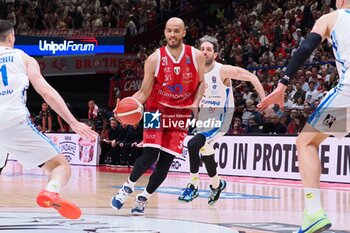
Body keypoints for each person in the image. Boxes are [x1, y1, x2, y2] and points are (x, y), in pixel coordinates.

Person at [256, 2, 350, 232]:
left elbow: (305, 49)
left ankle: (314, 211)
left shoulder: (331, 18)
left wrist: (283, 84)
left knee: (306, 141)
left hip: (348, 95)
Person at [0, 20, 98, 219]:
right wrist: (73, 122)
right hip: (13, 121)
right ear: (11, 38)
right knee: (60, 166)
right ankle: (51, 190)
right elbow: (46, 92)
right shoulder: (23, 58)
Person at [110, 17, 205, 215]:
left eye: (177, 31)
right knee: (149, 154)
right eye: (169, 30)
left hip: (181, 113)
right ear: (164, 32)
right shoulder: (154, 58)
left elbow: (201, 83)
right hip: (156, 110)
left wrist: (196, 102)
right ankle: (126, 188)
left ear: (184, 33)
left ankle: (144, 197)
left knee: (165, 162)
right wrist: (125, 108)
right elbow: (144, 92)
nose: (172, 34)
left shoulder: (196, 56)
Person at [178, 35, 266, 204]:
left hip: (220, 119)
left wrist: (264, 99)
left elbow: (252, 77)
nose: (204, 52)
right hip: (204, 118)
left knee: (193, 144)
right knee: (205, 151)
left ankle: (193, 187)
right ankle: (217, 184)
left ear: (215, 54)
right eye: (202, 49)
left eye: (208, 49)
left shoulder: (223, 70)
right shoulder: (196, 71)